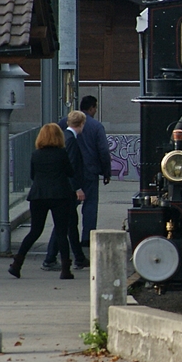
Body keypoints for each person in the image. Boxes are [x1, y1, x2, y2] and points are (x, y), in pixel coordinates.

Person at [9, 124, 81, 280]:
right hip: (60, 195)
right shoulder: (62, 154)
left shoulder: (36, 154)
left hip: (38, 195)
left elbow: (33, 175)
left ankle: (17, 264)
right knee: (62, 232)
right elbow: (70, 172)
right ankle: (65, 270)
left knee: (35, 231)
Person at [41, 111, 89, 271]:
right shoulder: (71, 141)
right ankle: (52, 258)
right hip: (67, 190)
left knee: (70, 224)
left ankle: (78, 258)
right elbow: (72, 167)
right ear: (81, 123)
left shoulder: (67, 138)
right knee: (65, 224)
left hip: (65, 189)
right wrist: (77, 188)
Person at [70, 96, 111, 250]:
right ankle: (87, 238)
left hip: (72, 173)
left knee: (69, 208)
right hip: (90, 172)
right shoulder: (96, 126)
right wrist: (106, 172)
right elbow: (103, 151)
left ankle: (68, 236)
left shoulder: (67, 123)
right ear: (92, 108)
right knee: (90, 206)